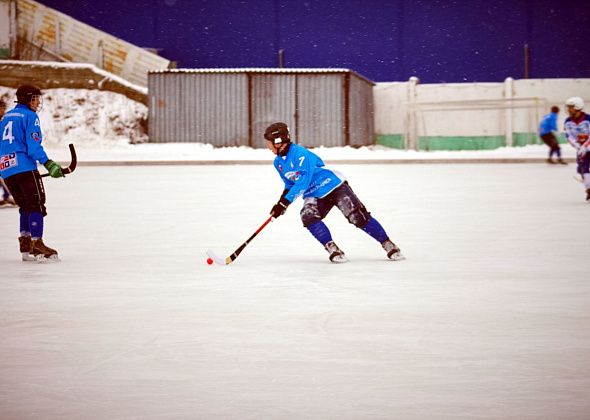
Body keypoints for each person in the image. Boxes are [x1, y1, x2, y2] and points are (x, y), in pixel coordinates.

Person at [264, 122, 404, 263]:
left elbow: (302, 183)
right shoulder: (278, 163)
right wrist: (280, 205)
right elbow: (290, 184)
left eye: (269, 143)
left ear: (279, 142)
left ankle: (388, 244)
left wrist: (285, 202)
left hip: (333, 185)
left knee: (357, 217)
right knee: (308, 216)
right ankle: (332, 248)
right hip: (314, 193)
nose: (268, 146)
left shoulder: (300, 154)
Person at [0, 85, 65, 261]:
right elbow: (33, 146)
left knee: (25, 206)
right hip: (24, 167)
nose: (37, 102)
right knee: (36, 204)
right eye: (35, 98)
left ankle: (25, 243)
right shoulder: (30, 116)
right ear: (28, 99)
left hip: (6, 169)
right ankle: (37, 244)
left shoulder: (6, 117)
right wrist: (48, 164)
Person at [563, 97, 590, 201]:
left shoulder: (588, 119)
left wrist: (585, 146)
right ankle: (589, 189)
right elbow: (569, 136)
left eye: (571, 107)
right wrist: (577, 146)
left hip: (588, 146)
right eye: (568, 107)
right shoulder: (568, 121)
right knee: (582, 169)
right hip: (581, 149)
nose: (569, 109)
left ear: (578, 107)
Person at [0, 98, 17, 207]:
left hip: (4, 153)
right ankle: (8, 196)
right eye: (1, 108)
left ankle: (8, 196)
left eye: (4, 108)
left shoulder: (5, 120)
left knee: (5, 176)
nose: (3, 110)